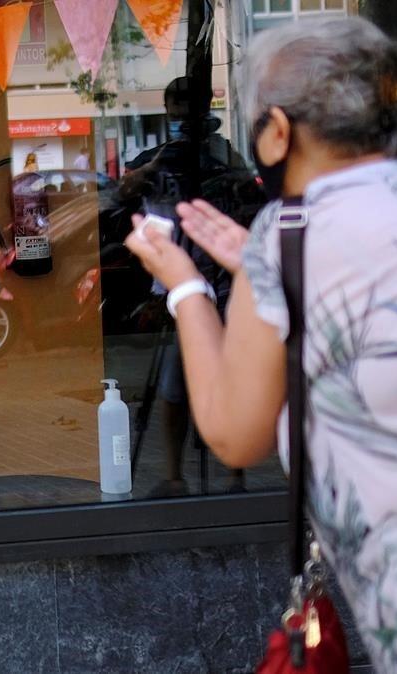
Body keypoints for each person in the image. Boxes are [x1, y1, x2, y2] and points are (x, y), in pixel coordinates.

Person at [123, 18, 397, 674]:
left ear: (278, 131)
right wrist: (261, 274)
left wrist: (184, 289)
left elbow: (236, 435)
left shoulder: (290, 233)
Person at [119, 75, 264, 496]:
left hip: (223, 276)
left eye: (190, 107)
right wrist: (146, 173)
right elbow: (122, 199)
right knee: (173, 383)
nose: (182, 115)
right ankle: (173, 473)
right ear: (166, 110)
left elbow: (246, 199)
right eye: (175, 107)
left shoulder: (224, 154)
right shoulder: (157, 157)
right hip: (174, 281)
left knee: (234, 372)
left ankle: (235, 474)